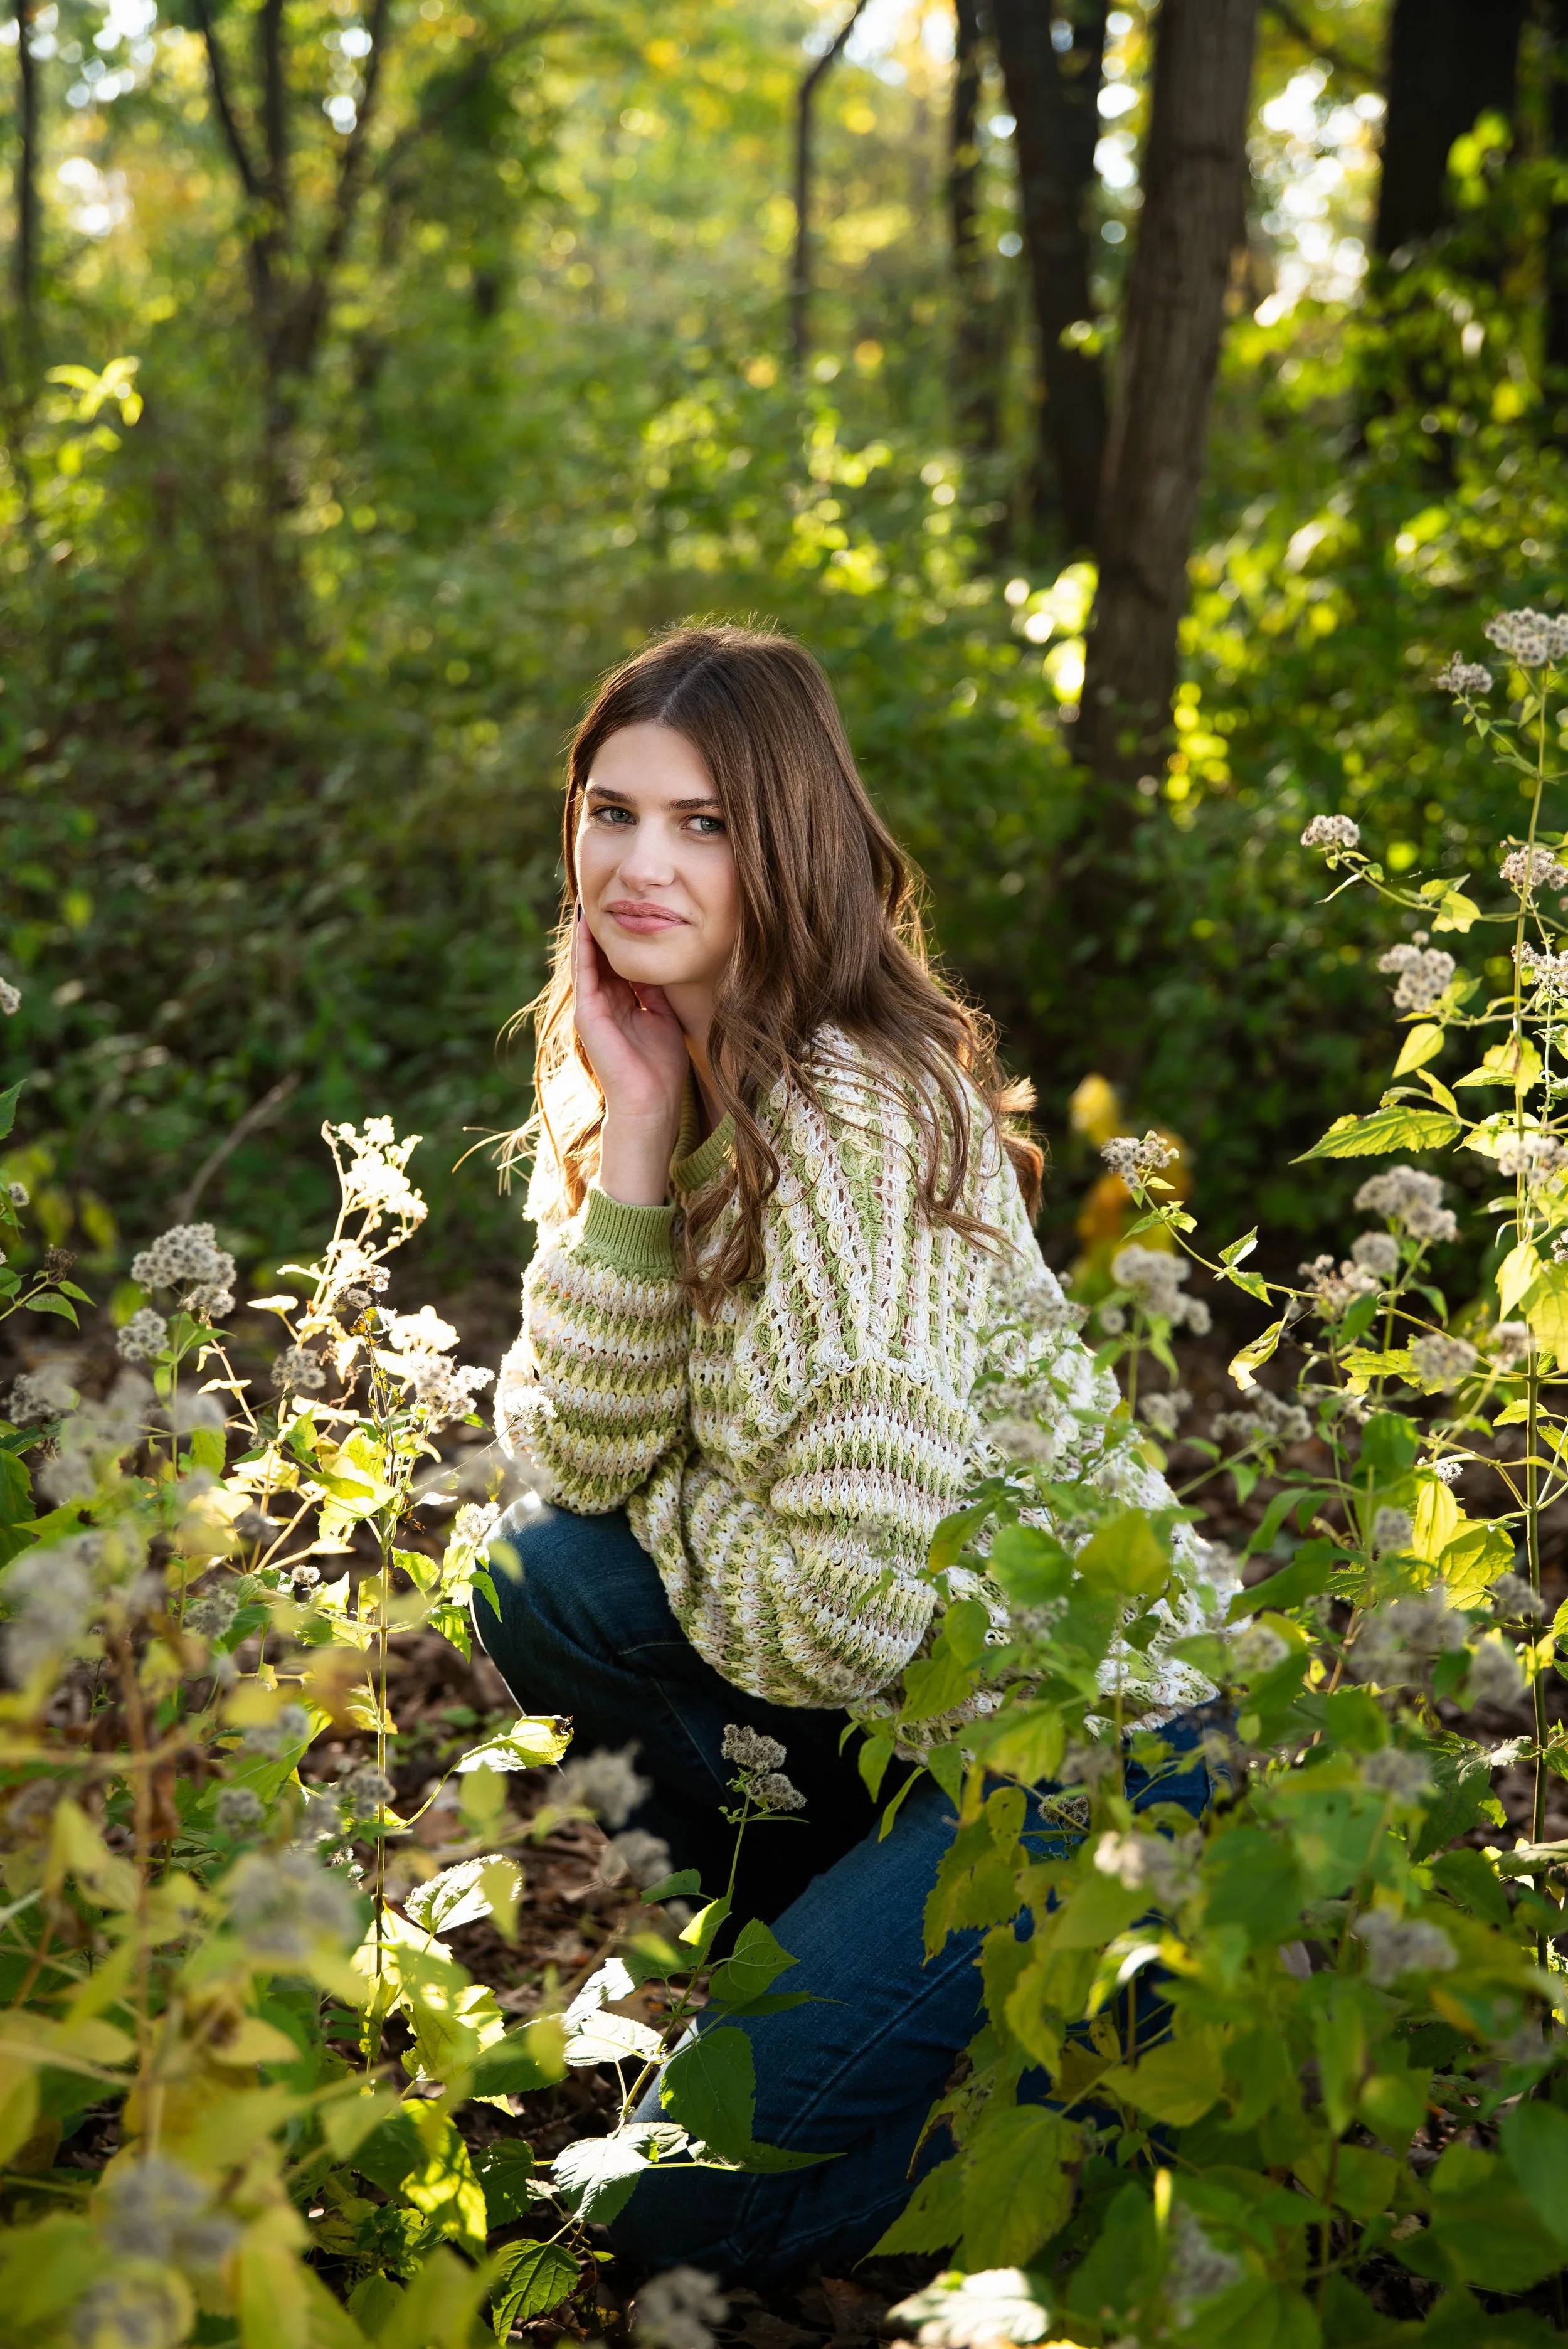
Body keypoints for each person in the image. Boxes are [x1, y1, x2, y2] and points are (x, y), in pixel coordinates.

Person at [474, 623, 1234, 2283]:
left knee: (655, 2212)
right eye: (611, 813)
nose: (640, 864)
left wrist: (671, 1494)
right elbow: (560, 1445)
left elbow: (841, 1618)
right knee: (541, 1580)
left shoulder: (854, 1116)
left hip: (1083, 1741)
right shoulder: (641, 1061)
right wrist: (640, 1143)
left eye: (704, 824)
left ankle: (1109, 2107)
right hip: (915, 1729)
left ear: (791, 843)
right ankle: (838, 1959)